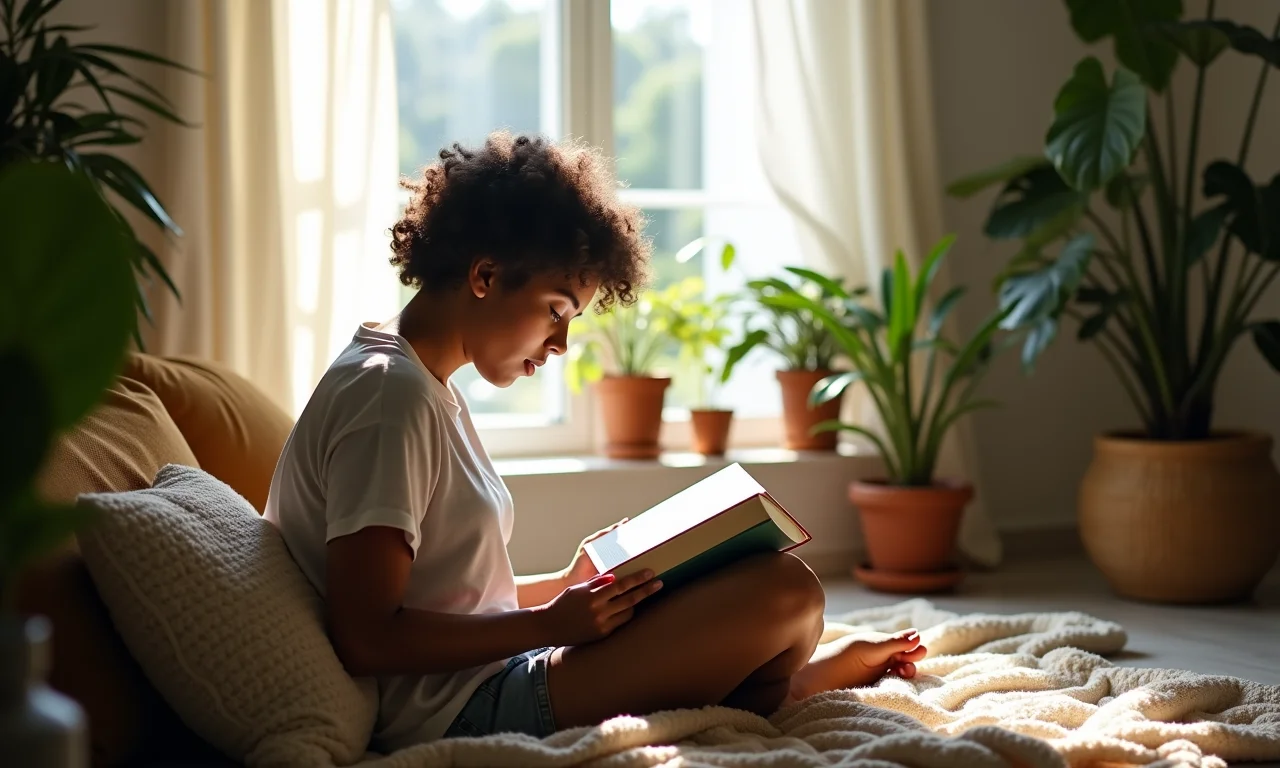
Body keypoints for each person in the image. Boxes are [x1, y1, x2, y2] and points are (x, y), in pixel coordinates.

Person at [264, 131, 927, 752]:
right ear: (485, 276)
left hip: (493, 668)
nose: (561, 346)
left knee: (771, 589)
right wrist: (551, 625)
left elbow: (443, 595)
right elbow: (366, 636)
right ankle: (794, 687)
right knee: (784, 593)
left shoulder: (419, 382)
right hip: (459, 711)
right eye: (556, 312)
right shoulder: (390, 398)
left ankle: (787, 682)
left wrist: (559, 588)